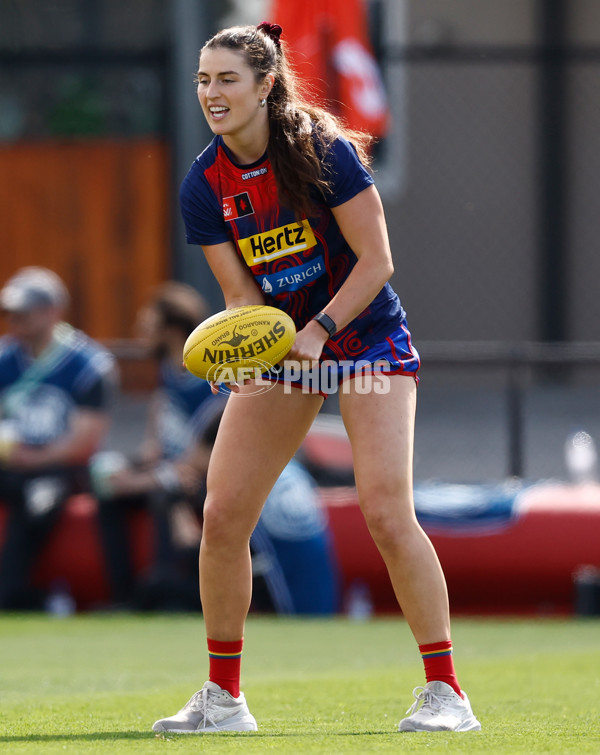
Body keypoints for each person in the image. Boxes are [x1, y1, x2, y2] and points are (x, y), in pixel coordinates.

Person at [152, 22, 480, 735]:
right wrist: (243, 356)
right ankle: (224, 699)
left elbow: (377, 260)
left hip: (363, 340)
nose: (212, 92)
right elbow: (243, 299)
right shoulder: (203, 185)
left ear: (266, 84)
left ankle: (447, 692)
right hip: (288, 353)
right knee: (222, 514)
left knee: (387, 511)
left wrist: (319, 331)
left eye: (227, 79)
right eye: (204, 80)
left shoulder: (322, 149)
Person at [93, 281, 225, 609]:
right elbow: (159, 441)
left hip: (204, 477)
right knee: (108, 496)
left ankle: (167, 592)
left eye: (148, 321)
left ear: (171, 326)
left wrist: (144, 478)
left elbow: (204, 458)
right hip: (170, 470)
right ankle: (122, 596)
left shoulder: (210, 375)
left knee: (164, 493)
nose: (140, 328)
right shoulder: (166, 372)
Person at [0, 266, 116, 610]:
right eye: (11, 313)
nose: (15, 320)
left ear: (52, 311)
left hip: (61, 470)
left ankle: (14, 593)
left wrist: (33, 459)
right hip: (11, 466)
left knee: (39, 501)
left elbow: (84, 439)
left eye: (24, 312)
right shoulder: (5, 359)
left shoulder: (88, 365)